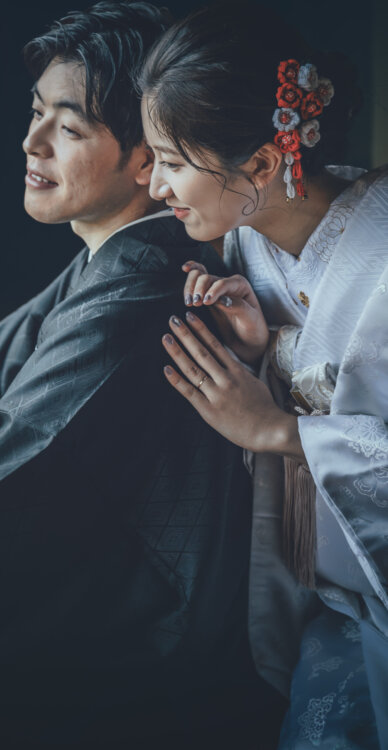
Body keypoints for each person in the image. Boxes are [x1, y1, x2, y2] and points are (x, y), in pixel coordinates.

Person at [0, 3, 285, 747]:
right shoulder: (116, 254)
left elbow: (20, 465)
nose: (32, 142)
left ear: (148, 158)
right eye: (36, 113)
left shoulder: (144, 286)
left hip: (140, 600)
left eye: (68, 129)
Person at [139, 3, 387, 749]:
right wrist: (260, 351)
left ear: (263, 164)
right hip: (343, 601)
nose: (154, 185)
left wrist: (279, 431)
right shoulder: (247, 242)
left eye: (172, 162)